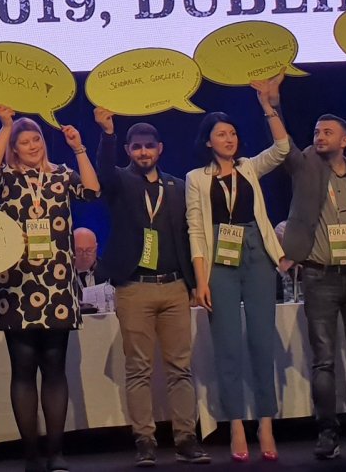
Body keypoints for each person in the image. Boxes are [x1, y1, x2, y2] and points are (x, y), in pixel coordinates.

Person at [265, 77, 346, 459]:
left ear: (345, 140)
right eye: (317, 132)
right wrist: (272, 105)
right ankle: (327, 432)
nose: (319, 136)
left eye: (327, 132)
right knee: (323, 361)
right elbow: (285, 146)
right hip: (319, 276)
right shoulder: (306, 167)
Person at [0, 106, 100, 472]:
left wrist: (79, 149)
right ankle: (30, 455)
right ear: (14, 148)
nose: (32, 146)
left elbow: (92, 191)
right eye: (24, 142)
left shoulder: (61, 175)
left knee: (55, 368)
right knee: (22, 369)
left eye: (36, 140)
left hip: (57, 285)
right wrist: (5, 127)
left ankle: (56, 453)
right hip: (16, 286)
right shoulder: (7, 177)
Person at [94, 109, 209, 467]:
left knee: (180, 369)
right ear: (128, 150)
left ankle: (186, 439)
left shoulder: (176, 187)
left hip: (174, 286)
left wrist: (194, 283)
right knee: (138, 370)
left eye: (149, 146)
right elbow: (103, 172)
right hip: (135, 288)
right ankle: (144, 440)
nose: (143, 152)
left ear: (160, 149)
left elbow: (188, 235)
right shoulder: (119, 182)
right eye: (136, 147)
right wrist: (108, 134)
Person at [184, 80, 291, 462]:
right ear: (207, 141)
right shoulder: (197, 178)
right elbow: (196, 230)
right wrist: (201, 281)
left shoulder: (249, 168)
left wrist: (267, 106)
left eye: (232, 133)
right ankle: (235, 425)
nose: (229, 139)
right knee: (228, 344)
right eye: (221, 134)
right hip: (218, 259)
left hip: (256, 253)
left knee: (262, 341)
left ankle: (266, 423)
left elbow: (282, 148)